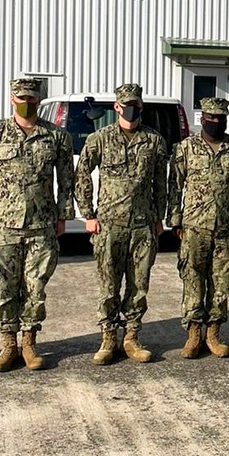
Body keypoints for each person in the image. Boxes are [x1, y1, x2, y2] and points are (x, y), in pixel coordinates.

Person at [0, 77, 74, 372]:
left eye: (32, 99)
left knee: (36, 288)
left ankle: (29, 343)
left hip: (42, 225)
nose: (26, 103)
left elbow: (66, 179)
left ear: (38, 101)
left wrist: (62, 215)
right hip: (3, 224)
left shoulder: (56, 137)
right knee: (4, 288)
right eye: (21, 98)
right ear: (11, 99)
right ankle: (7, 344)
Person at [74, 82, 168, 365]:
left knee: (139, 285)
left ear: (141, 106)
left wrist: (158, 217)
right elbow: (82, 175)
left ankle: (132, 338)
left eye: (135, 104)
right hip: (108, 225)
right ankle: (108, 338)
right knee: (109, 285)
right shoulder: (99, 139)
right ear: (116, 107)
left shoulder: (153, 140)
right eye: (125, 104)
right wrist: (88, 214)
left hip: (142, 225)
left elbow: (160, 182)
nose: (131, 109)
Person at [166, 96, 229, 359]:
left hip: (226, 227)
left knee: (222, 281)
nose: (216, 122)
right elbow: (175, 187)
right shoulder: (185, 148)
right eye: (211, 118)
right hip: (194, 226)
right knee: (193, 279)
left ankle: (214, 332)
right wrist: (175, 220)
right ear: (202, 119)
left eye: (221, 118)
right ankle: (193, 333)